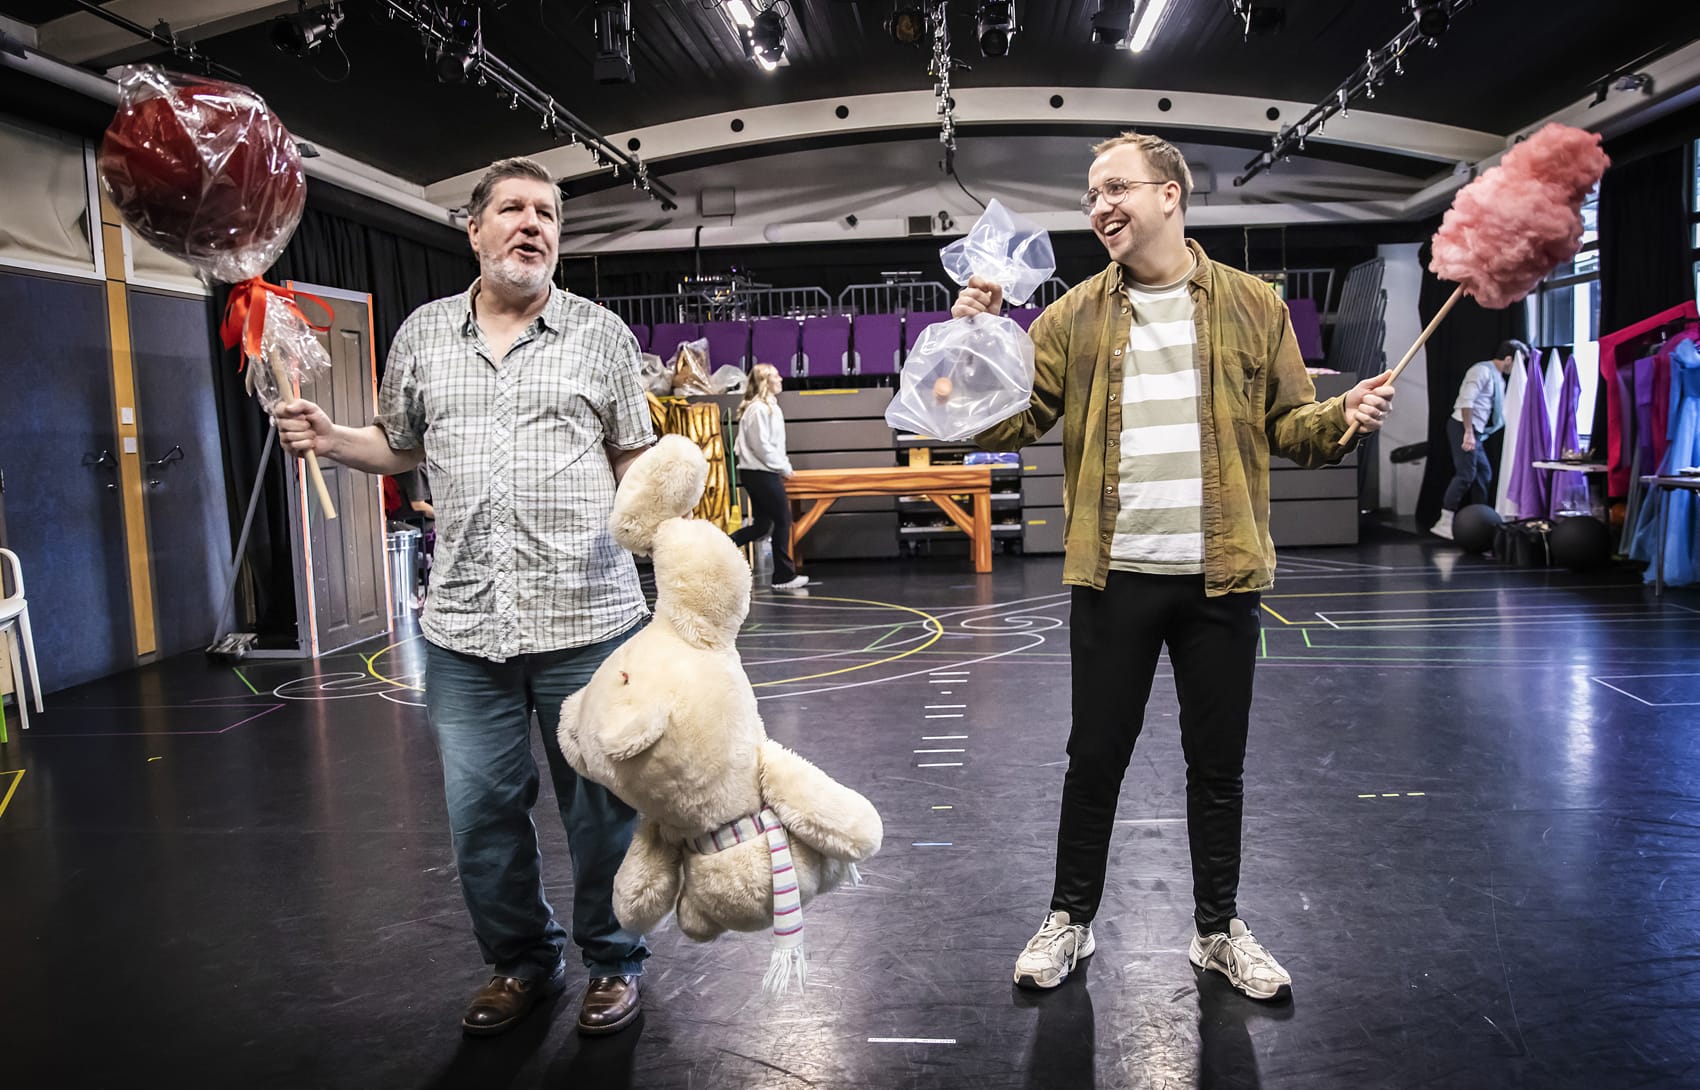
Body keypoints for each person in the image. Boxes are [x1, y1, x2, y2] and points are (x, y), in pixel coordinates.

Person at [954, 132, 1395, 1000]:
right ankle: (1069, 922)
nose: (1099, 207)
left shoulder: (1254, 305)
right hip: (1113, 575)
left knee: (1217, 767)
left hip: (1220, 577)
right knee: (1095, 760)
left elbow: (1292, 430)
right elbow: (1005, 424)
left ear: (1169, 196)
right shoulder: (1072, 314)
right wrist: (977, 346)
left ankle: (1217, 930)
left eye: (1114, 188)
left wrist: (1345, 412)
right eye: (1090, 195)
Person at [274, 157, 653, 1038]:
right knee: (482, 813)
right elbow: (397, 444)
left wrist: (673, 566)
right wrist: (333, 439)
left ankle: (612, 964)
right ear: (474, 228)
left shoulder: (600, 335)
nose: (533, 225)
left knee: (601, 813)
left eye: (548, 213)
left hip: (590, 621)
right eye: (513, 209)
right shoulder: (422, 335)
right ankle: (522, 962)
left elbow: (638, 463)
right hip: (464, 628)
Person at [1431, 339, 1526, 539]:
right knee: (1466, 473)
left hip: (1477, 430)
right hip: (1462, 426)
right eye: (1519, 362)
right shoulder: (1481, 371)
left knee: (1484, 473)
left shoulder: (1499, 379)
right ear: (1509, 359)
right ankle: (1445, 521)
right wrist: (1468, 432)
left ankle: (1479, 520)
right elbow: (1467, 401)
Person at [729, 362, 808, 590]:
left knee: (762, 526)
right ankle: (783, 575)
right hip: (760, 472)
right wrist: (784, 468)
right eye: (775, 375)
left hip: (761, 471)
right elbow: (761, 446)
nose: (781, 378)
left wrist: (782, 465)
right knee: (783, 519)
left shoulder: (768, 407)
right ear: (765, 381)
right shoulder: (758, 409)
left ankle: (722, 547)